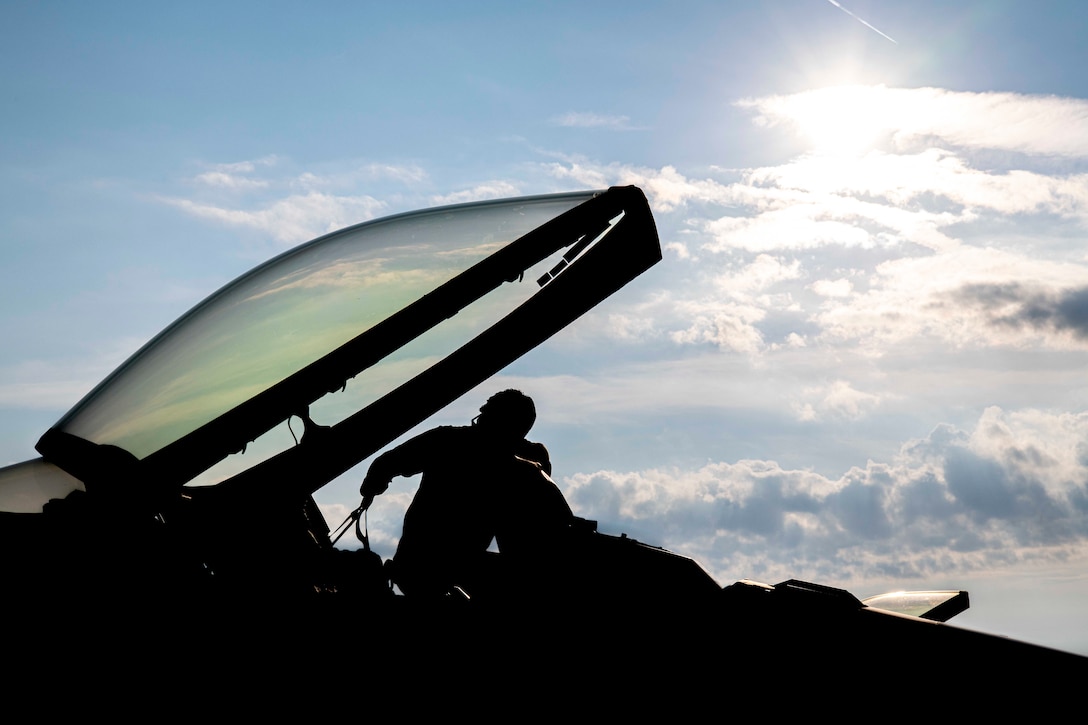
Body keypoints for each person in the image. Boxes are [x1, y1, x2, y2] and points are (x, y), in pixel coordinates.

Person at [359, 389, 573, 599]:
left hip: (419, 564)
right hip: (443, 566)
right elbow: (559, 517)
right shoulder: (520, 467)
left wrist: (371, 489)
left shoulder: (446, 441)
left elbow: (385, 464)